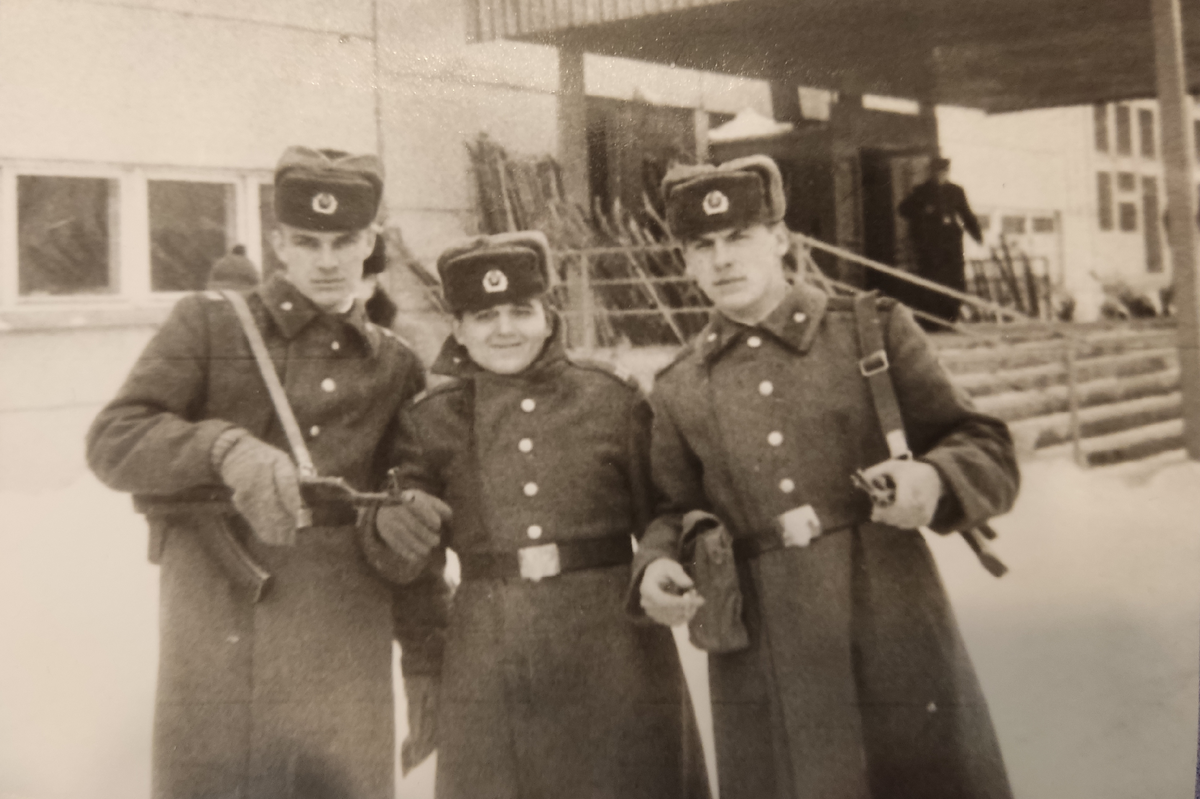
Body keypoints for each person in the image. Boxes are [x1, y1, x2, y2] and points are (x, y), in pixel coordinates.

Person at [638, 155, 1019, 799]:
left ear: (781, 240)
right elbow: (673, 509)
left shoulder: (868, 331)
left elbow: (986, 445)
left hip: (891, 616)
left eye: (740, 236)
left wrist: (934, 480)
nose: (722, 259)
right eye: (702, 246)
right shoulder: (678, 385)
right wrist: (655, 564)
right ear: (686, 263)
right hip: (765, 649)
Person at [86, 146, 447, 799]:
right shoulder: (210, 325)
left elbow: (414, 523)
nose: (327, 260)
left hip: (341, 647)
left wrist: (426, 661)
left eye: (345, 241)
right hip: (219, 637)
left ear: (370, 242)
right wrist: (224, 448)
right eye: (306, 241)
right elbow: (113, 439)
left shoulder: (396, 364)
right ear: (278, 242)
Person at [371, 231, 709, 799]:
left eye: (520, 311)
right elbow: (410, 555)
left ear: (548, 318)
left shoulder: (611, 398)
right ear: (458, 328)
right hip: (488, 652)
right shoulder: (429, 421)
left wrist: (656, 560)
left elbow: (670, 508)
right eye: (484, 316)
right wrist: (390, 524)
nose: (505, 329)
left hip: (614, 647)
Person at [897, 156, 983, 326]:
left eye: (944, 172)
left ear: (947, 172)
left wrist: (977, 235)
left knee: (954, 278)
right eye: (937, 172)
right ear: (932, 173)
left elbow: (966, 213)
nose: (940, 175)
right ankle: (933, 320)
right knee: (932, 278)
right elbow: (903, 209)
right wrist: (923, 210)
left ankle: (951, 316)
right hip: (930, 243)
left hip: (951, 243)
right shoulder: (922, 191)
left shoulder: (956, 191)